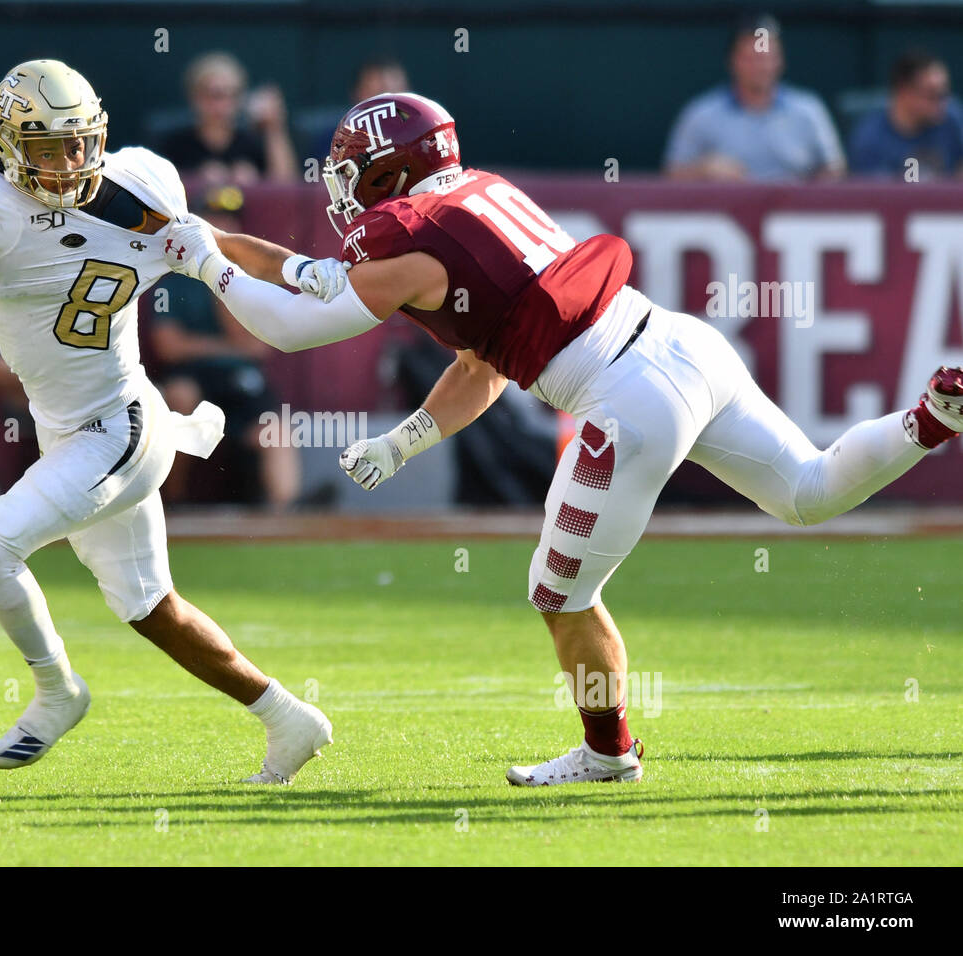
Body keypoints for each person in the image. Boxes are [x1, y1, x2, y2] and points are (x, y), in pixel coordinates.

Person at [160, 91, 963, 786]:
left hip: (626, 399)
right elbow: (476, 361)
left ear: (389, 171)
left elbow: (292, 326)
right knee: (808, 492)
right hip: (681, 344)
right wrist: (402, 442)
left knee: (560, 594)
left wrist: (206, 266)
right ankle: (930, 419)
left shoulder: (408, 237)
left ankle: (609, 753)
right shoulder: (475, 196)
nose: (343, 189)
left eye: (353, 172)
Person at [0, 59, 346, 780]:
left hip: (121, 427)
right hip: (66, 429)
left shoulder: (138, 187)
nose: (67, 161)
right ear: (8, 145)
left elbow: (218, 244)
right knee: (152, 609)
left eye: (78, 142)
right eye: (47, 147)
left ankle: (57, 691)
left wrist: (301, 270)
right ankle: (289, 718)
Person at [150, 187, 299, 509]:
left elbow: (257, 348)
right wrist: (228, 348)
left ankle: (285, 514)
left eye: (230, 220)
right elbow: (169, 348)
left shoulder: (249, 279)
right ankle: (171, 504)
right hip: (193, 378)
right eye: (215, 220)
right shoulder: (172, 281)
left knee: (275, 428)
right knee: (179, 398)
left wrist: (223, 280)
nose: (224, 227)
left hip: (240, 381)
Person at [664, 14, 845, 181]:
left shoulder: (808, 109)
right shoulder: (701, 113)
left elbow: (835, 168)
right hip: (727, 203)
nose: (760, 67)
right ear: (732, 60)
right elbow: (672, 174)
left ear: (780, 61)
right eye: (750, 58)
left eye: (766, 58)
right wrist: (703, 168)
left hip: (795, 204)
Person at [155, 51, 297, 184]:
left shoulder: (253, 142)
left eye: (232, 95)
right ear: (194, 97)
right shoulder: (174, 144)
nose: (222, 105)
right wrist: (196, 178)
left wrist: (273, 128)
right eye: (214, 95)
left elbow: (285, 186)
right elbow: (157, 188)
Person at [849, 51, 963, 179]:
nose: (942, 102)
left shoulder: (952, 119)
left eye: (944, 94)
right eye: (932, 94)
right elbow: (871, 189)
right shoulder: (870, 138)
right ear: (904, 92)